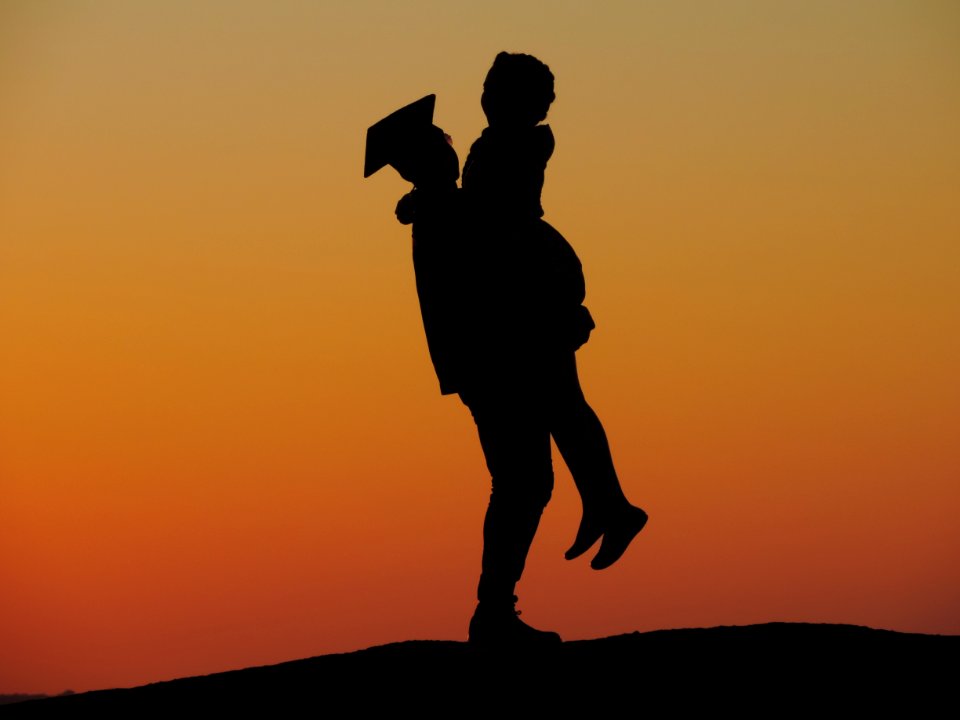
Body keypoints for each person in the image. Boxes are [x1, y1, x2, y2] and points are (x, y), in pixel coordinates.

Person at [457, 52, 648, 645]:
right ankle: (609, 505)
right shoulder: (501, 144)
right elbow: (485, 221)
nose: (488, 98)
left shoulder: (512, 145)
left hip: (527, 303)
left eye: (502, 91)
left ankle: (608, 508)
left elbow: (496, 224)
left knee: (550, 429)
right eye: (489, 88)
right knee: (554, 424)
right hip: (522, 305)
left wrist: (438, 203)